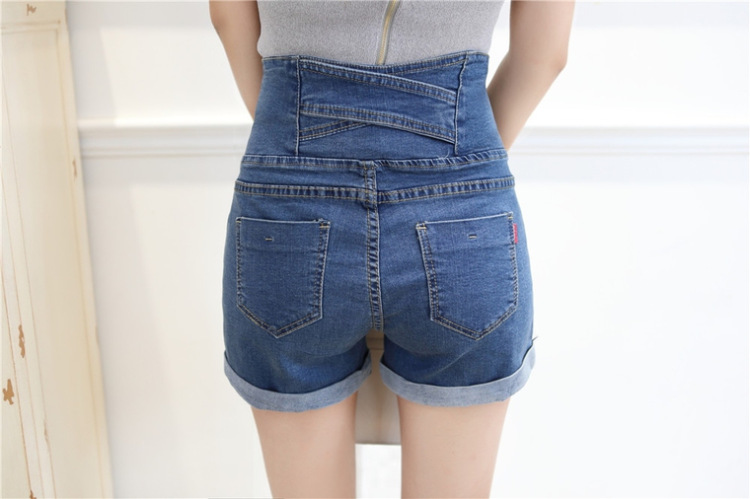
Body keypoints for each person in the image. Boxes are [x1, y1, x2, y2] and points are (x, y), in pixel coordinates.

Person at [210, 1, 574, 497]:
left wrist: (291, 148)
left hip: (289, 212)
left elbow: (227, 16)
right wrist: (467, 167)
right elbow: (546, 54)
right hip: (462, 217)